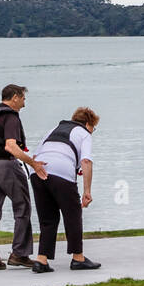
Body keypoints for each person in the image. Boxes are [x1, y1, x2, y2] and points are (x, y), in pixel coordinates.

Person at [0, 84, 46, 271]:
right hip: (7, 165)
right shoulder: (10, 117)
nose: (24, 104)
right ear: (15, 97)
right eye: (24, 99)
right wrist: (33, 163)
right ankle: (19, 253)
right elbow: (11, 146)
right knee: (22, 206)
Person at [29, 107, 101, 273]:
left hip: (38, 171)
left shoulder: (53, 129)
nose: (92, 131)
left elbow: (34, 156)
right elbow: (86, 161)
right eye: (93, 128)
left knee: (48, 218)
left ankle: (42, 260)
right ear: (88, 124)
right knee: (73, 215)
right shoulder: (84, 134)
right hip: (61, 171)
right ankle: (78, 258)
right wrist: (87, 191)